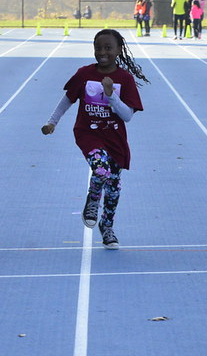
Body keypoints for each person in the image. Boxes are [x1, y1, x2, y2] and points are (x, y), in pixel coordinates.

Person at [40, 29, 148, 250]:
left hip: (114, 138)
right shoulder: (84, 74)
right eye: (98, 47)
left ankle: (107, 228)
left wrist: (111, 95)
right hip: (88, 133)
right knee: (100, 170)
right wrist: (52, 122)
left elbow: (127, 116)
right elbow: (67, 100)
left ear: (119, 50)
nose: (102, 52)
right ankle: (92, 200)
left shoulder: (124, 79)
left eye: (108, 48)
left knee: (115, 187)